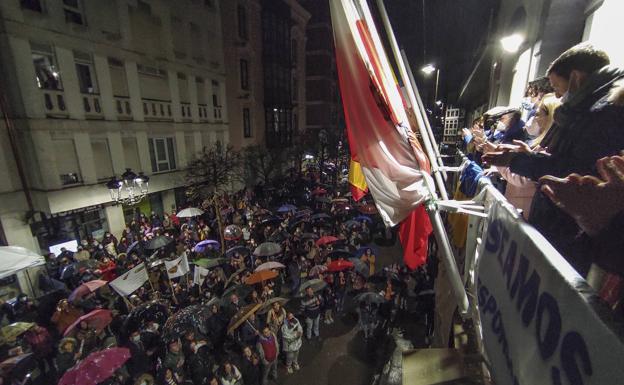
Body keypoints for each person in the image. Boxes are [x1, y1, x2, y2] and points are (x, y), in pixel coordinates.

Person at [483, 42, 624, 276]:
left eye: (557, 87)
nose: (557, 96)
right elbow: (568, 160)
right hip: (573, 234)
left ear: (576, 78)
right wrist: (530, 156)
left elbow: (571, 169)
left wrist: (518, 161)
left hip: (572, 239)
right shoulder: (591, 110)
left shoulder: (605, 113)